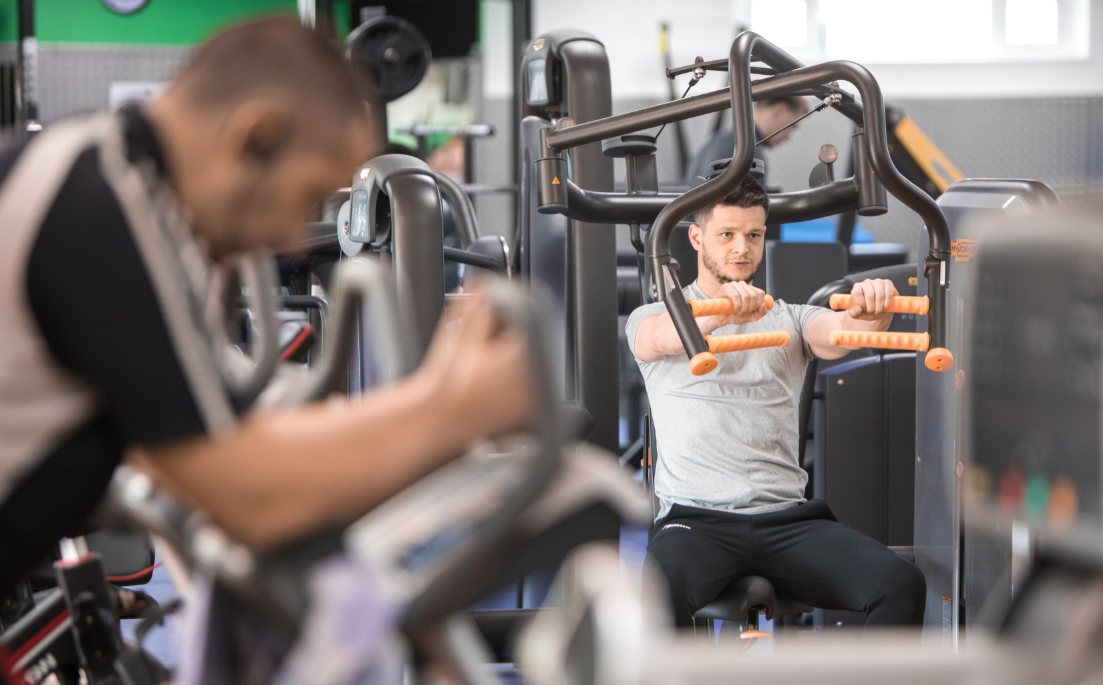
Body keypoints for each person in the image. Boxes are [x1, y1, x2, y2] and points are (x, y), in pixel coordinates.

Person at [0, 17, 533, 591]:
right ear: (254, 136)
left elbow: (226, 433)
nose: (289, 239)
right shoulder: (105, 217)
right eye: (305, 198)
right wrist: (458, 411)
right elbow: (251, 498)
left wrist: (433, 396)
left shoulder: (111, 177)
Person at [626, 174, 925, 628]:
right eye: (726, 235)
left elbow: (841, 332)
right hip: (697, 521)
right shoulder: (653, 315)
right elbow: (663, 339)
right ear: (696, 238)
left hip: (786, 521)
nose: (741, 248)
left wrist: (874, 309)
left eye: (753, 235)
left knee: (900, 583)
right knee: (653, 600)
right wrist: (723, 309)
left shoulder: (790, 318)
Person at [684, 96, 811, 185]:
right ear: (779, 111)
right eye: (792, 126)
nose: (789, 137)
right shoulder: (749, 153)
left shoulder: (717, 140)